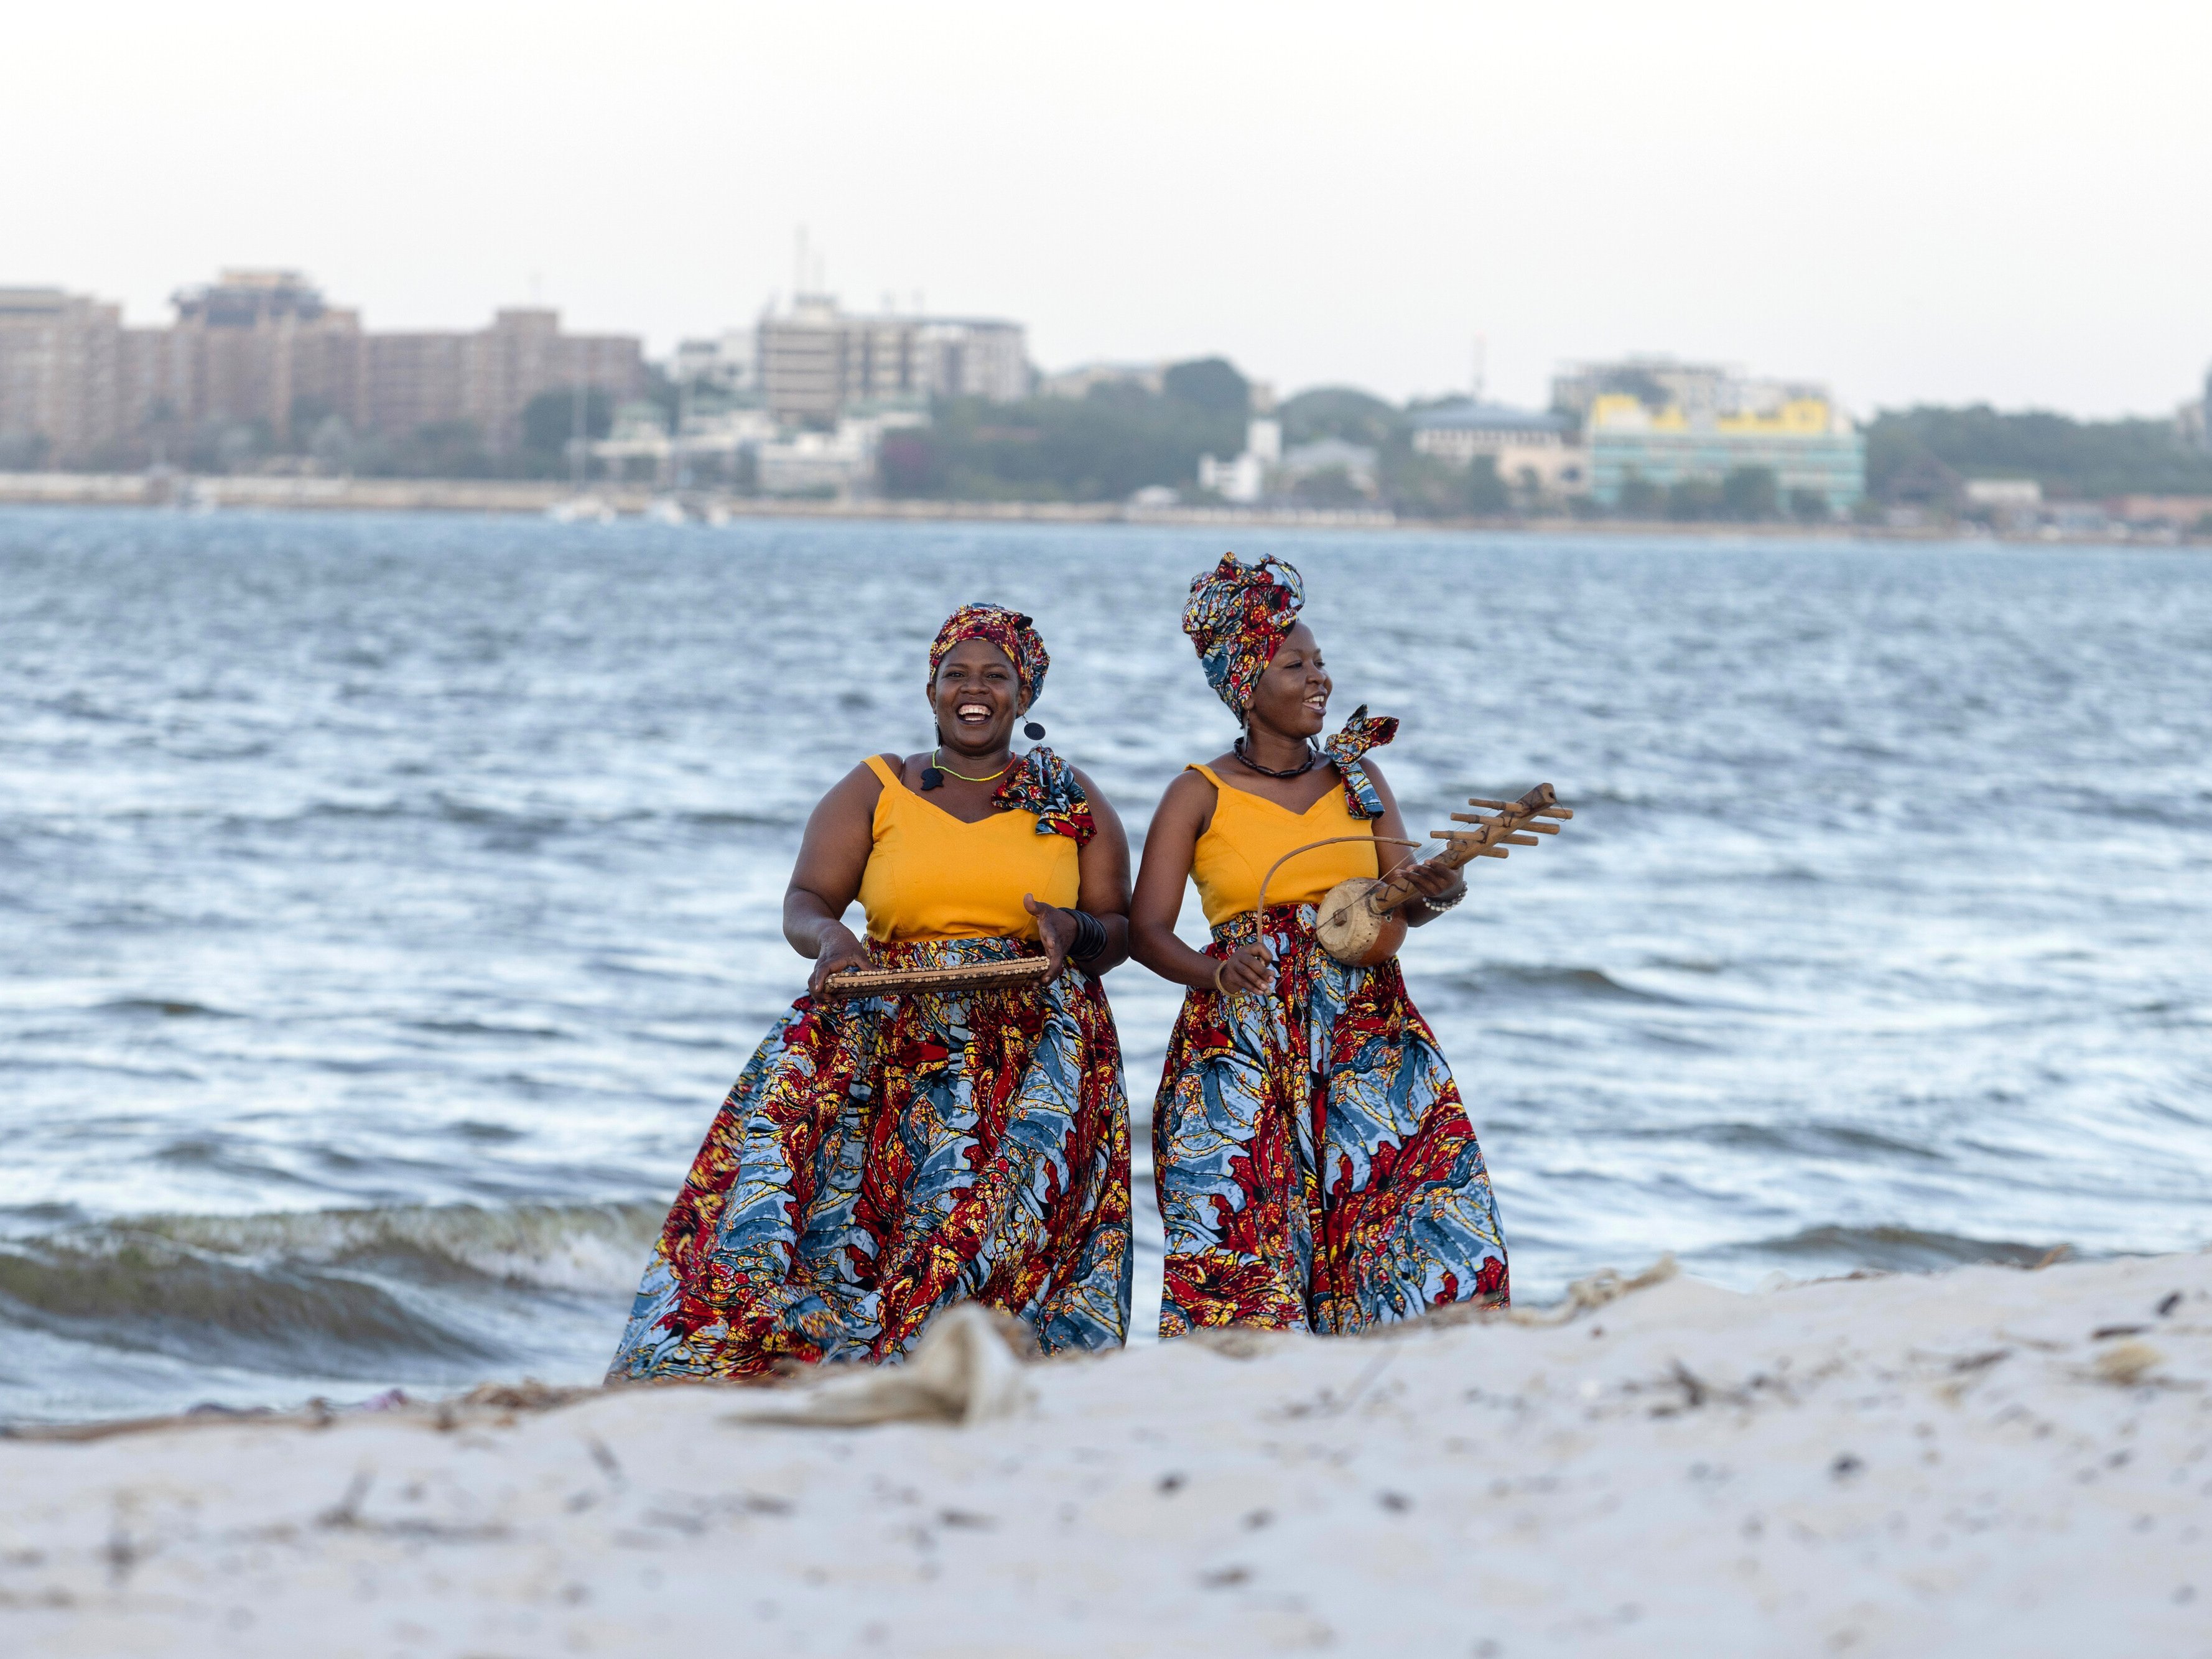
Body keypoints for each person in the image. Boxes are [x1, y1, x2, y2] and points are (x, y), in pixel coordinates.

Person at [608, 603, 1133, 1379]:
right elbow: (806, 899)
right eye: (956, 674)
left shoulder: (1071, 797)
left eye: (997, 676)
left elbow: (1117, 929)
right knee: (794, 1180)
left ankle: (955, 1362)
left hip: (1032, 1040)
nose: (974, 690)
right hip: (888, 1023)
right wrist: (833, 941)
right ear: (931, 691)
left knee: (977, 1221)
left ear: (1025, 697)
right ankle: (798, 1355)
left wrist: (1071, 931)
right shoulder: (876, 785)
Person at [1129, 553, 1509, 1337]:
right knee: (1244, 1239)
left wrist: (1439, 890)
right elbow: (1146, 930)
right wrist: (1218, 971)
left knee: (1414, 1215)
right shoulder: (1197, 792)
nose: (1319, 679)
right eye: (1294, 664)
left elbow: (1397, 902)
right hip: (1242, 1038)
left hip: (1367, 1037)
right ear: (1245, 681)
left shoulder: (1358, 778)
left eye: (1321, 663)